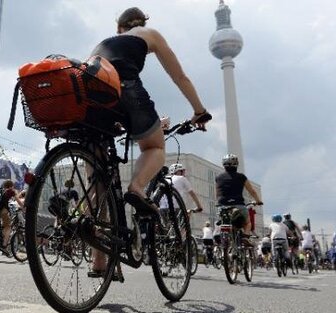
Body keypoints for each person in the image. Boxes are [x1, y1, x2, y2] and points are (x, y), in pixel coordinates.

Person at [87, 7, 211, 276]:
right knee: (154, 146)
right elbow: (179, 76)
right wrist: (199, 111)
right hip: (126, 88)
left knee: (98, 185)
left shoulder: (103, 43)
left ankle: (99, 262)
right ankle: (137, 187)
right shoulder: (149, 34)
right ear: (138, 25)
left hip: (90, 96)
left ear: (119, 27)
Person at [215, 154, 263, 238]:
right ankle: (245, 237)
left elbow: (217, 193)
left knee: (222, 221)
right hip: (238, 204)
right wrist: (258, 201)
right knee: (247, 223)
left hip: (223, 205)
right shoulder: (241, 177)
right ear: (237, 164)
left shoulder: (218, 177)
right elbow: (252, 191)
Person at [0, 179, 18, 254]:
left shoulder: (2, 191)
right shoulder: (11, 191)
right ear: (12, 186)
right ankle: (4, 245)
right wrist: (24, 208)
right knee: (8, 227)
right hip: (3, 211)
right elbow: (18, 200)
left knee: (2, 227)